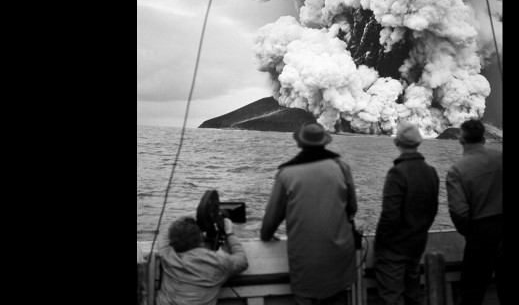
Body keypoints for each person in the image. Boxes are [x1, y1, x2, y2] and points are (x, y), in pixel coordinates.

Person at [261, 121, 357, 305]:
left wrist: (266, 234)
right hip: (338, 258)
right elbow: (352, 208)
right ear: (325, 142)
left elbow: (272, 217)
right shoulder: (341, 167)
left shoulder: (286, 172)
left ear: (299, 143)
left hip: (305, 262)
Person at [373, 121, 440, 305]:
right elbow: (433, 210)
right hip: (417, 246)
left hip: (394, 250)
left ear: (396, 143)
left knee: (392, 298)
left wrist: (381, 244)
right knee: (412, 296)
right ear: (419, 142)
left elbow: (390, 216)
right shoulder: (431, 172)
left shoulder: (397, 173)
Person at [445, 119, 503, 305]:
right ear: (484, 137)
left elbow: (459, 212)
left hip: (480, 233)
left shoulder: (458, 170)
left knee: (472, 292)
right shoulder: (500, 159)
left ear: (461, 139)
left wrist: (472, 232)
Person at [156, 216, 248, 305]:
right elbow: (242, 260)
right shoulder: (215, 262)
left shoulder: (167, 253)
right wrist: (230, 233)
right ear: (200, 238)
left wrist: (191, 219)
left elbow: (166, 229)